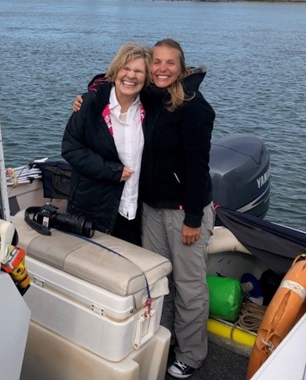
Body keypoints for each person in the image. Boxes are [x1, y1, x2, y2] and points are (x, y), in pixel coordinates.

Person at [72, 39, 215, 379]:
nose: (161, 68)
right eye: (157, 63)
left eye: (170, 63)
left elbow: (198, 168)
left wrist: (194, 217)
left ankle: (191, 354)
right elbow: (119, 80)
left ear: (181, 68)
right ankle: (159, 342)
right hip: (151, 208)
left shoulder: (194, 108)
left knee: (189, 285)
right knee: (156, 281)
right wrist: (90, 93)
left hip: (184, 212)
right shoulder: (153, 96)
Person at [61, 43, 151, 245]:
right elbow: (70, 148)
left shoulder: (151, 108)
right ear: (115, 71)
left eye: (138, 71)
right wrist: (113, 172)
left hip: (135, 210)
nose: (131, 76)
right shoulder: (91, 104)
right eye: (125, 68)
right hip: (94, 207)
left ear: (147, 78)